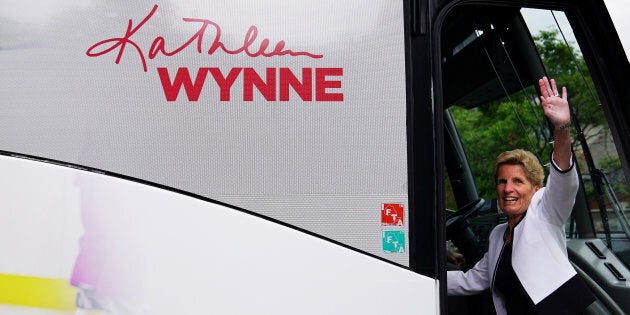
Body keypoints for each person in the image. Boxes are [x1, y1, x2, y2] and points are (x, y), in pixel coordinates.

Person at [447, 77, 595, 315]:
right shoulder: (498, 236)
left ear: (536, 187)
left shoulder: (545, 213)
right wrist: (420, 279)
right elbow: (472, 280)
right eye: (502, 181)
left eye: (518, 181)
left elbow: (564, 179)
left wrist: (561, 128)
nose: (508, 189)